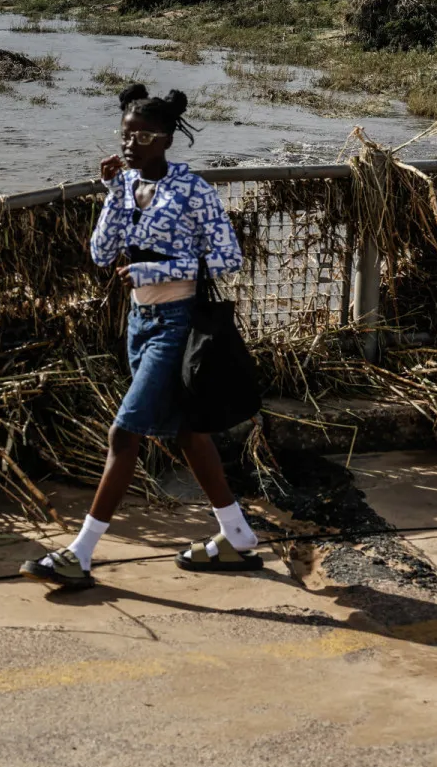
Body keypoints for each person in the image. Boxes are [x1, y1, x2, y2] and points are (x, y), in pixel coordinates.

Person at [20, 84, 260, 590]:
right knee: (188, 433)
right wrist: (112, 194)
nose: (131, 144)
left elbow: (228, 258)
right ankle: (237, 537)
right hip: (139, 323)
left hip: (178, 322)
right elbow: (101, 255)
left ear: (167, 140)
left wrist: (154, 269)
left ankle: (79, 554)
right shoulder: (125, 186)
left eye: (143, 136)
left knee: (124, 433)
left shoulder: (192, 191)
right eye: (126, 134)